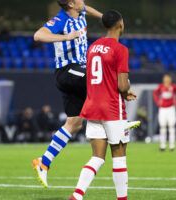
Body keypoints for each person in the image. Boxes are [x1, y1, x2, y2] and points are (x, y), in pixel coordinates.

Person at [31, 0, 140, 188]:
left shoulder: (79, 12)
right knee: (103, 79)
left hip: (77, 71)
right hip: (68, 70)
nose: (83, 1)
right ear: (72, 4)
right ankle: (118, 123)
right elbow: (38, 35)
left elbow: (86, 9)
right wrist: (67, 37)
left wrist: (103, 17)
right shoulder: (61, 20)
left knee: (74, 123)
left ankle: (44, 162)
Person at [69, 10, 135, 200]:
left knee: (97, 157)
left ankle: (77, 195)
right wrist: (127, 89)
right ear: (120, 24)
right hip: (112, 109)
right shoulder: (120, 49)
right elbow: (122, 85)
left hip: (93, 107)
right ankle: (122, 198)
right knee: (119, 156)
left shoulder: (93, 47)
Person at [153, 74, 176, 151]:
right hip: (162, 109)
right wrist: (157, 102)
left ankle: (172, 146)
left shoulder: (173, 87)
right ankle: (162, 145)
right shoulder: (161, 87)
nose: (166, 81)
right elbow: (154, 93)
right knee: (162, 127)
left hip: (171, 108)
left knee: (171, 127)